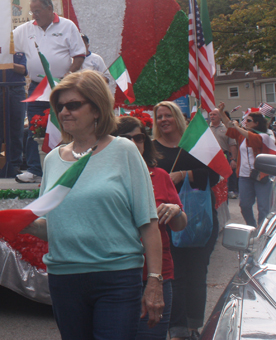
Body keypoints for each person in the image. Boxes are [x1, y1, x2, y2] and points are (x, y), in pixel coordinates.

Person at [23, 70, 164, 340]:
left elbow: (148, 223)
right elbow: (51, 226)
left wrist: (155, 280)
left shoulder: (124, 150)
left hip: (117, 278)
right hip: (64, 278)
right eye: (60, 106)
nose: (64, 112)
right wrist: (19, 223)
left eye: (73, 105)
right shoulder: (52, 160)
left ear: (97, 109)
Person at [116, 116, 187, 340]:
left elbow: (180, 224)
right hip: (115, 274)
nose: (134, 143)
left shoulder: (160, 176)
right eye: (126, 138)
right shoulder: (103, 177)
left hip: (156, 275)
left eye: (139, 138)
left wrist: (176, 210)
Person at [152, 101, 219, 340]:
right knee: (175, 275)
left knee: (197, 274)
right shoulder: (152, 149)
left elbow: (215, 175)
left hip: (201, 220)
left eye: (168, 115)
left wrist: (183, 175)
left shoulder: (195, 144)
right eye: (159, 116)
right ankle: (177, 328)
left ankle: (194, 326)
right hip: (167, 221)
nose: (163, 120)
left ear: (177, 118)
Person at [13, 0, 86, 183]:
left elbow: (79, 54)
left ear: (49, 8)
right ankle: (35, 169)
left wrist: (69, 76)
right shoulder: (25, 30)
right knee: (35, 126)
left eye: (37, 11)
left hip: (62, 86)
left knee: (65, 125)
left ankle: (66, 166)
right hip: (38, 87)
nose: (34, 15)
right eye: (32, 12)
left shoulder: (67, 26)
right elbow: (5, 44)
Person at [218, 102, 273, 227]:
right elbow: (229, 125)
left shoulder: (265, 136)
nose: (245, 122)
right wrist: (221, 112)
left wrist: (238, 127)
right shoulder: (242, 136)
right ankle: (252, 227)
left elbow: (253, 138)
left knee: (263, 207)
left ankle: (262, 232)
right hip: (244, 175)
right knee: (244, 205)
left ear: (256, 123)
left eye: (248, 120)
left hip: (261, 175)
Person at [0, 52, 27, 175]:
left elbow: (23, 69)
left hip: (16, 89)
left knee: (16, 128)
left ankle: (14, 165)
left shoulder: (19, 52)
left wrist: (6, 62)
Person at [209, 109, 238, 199]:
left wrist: (233, 159)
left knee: (225, 177)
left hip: (223, 156)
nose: (212, 116)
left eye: (215, 115)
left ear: (220, 116)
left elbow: (232, 144)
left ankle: (228, 192)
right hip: (210, 157)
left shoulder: (226, 128)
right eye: (211, 115)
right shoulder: (206, 129)